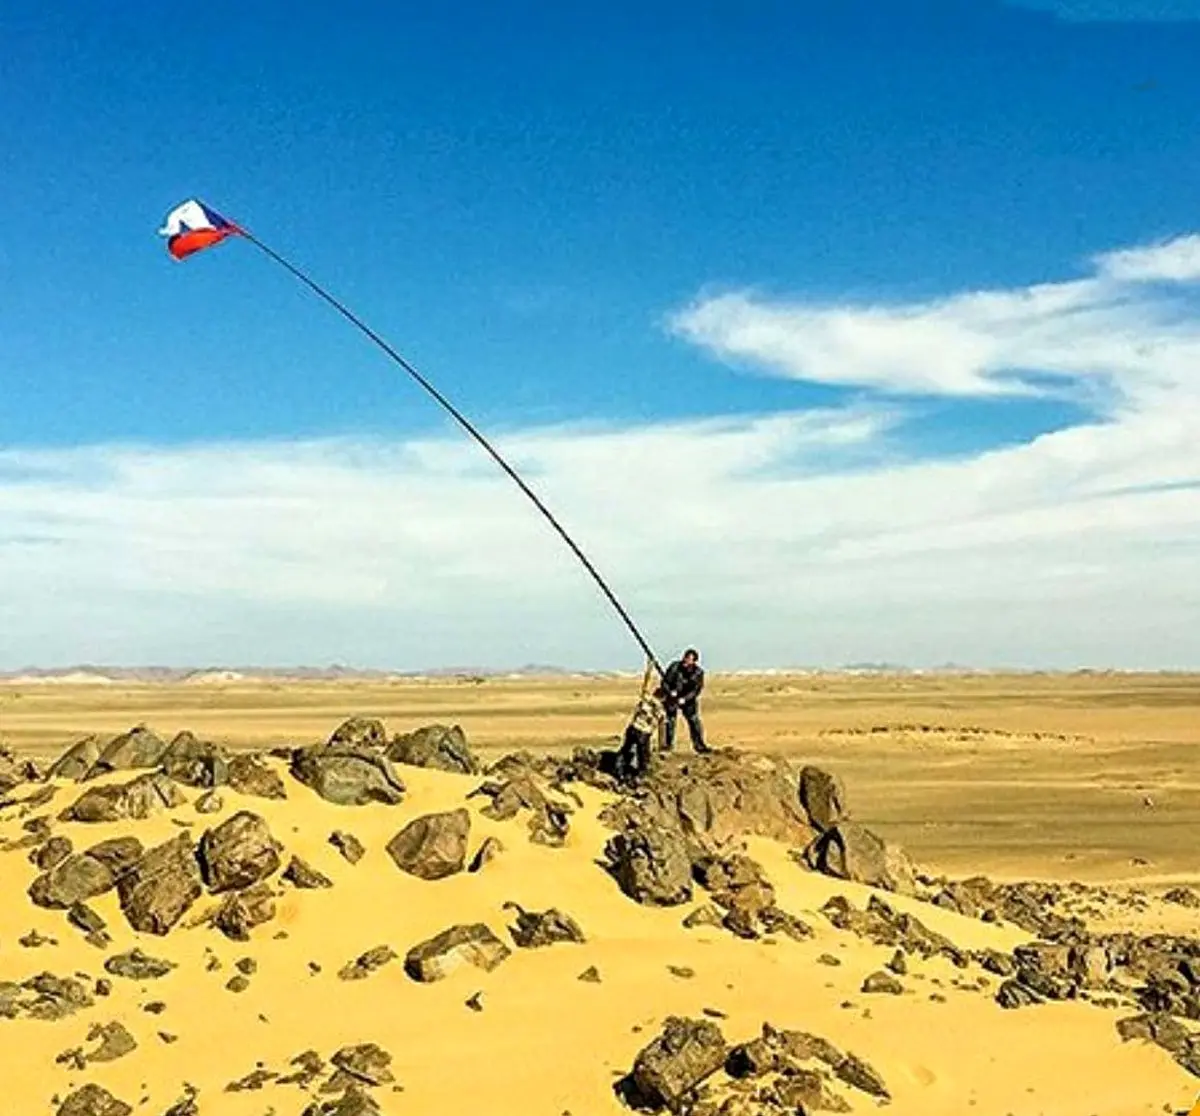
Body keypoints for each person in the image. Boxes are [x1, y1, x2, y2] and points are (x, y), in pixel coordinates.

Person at [657, 647, 710, 753]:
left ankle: (699, 746)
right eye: (685, 658)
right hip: (672, 699)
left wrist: (685, 699)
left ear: (694, 661)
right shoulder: (674, 667)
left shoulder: (698, 673)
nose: (686, 661)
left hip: (688, 701)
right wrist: (670, 692)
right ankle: (667, 746)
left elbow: (696, 690)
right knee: (670, 721)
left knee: (694, 721)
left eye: (689, 659)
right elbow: (664, 682)